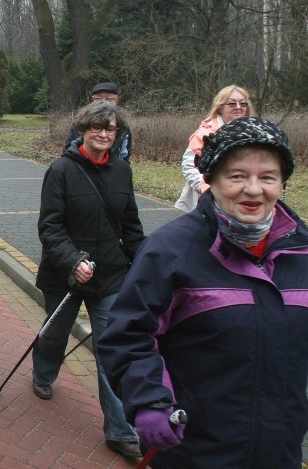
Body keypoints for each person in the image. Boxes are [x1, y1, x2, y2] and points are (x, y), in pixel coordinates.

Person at [99, 117, 307, 469]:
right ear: (212, 179)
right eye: (237, 176)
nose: (254, 189)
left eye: (267, 177)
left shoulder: (302, 251)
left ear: (282, 182)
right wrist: (149, 401)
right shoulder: (170, 250)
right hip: (195, 449)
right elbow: (128, 336)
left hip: (280, 447)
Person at [33, 99, 145, 459]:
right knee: (54, 335)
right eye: (96, 126)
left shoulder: (122, 172)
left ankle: (119, 429)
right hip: (64, 274)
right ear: (82, 129)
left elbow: (131, 227)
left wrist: (146, 265)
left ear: (117, 134)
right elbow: (49, 227)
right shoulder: (62, 170)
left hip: (110, 275)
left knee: (111, 350)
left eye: (110, 128)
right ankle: (44, 372)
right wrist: (73, 260)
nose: (103, 133)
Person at [174, 84, 256, 212]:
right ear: (220, 108)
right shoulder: (205, 134)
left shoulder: (254, 133)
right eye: (232, 104)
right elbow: (189, 166)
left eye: (243, 104)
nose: (238, 108)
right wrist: (209, 189)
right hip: (208, 204)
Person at [63, 82, 132, 162]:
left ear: (117, 100)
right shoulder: (83, 122)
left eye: (109, 99)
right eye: (99, 99)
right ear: (93, 99)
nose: (104, 102)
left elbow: (125, 155)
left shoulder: (123, 126)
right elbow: (69, 149)